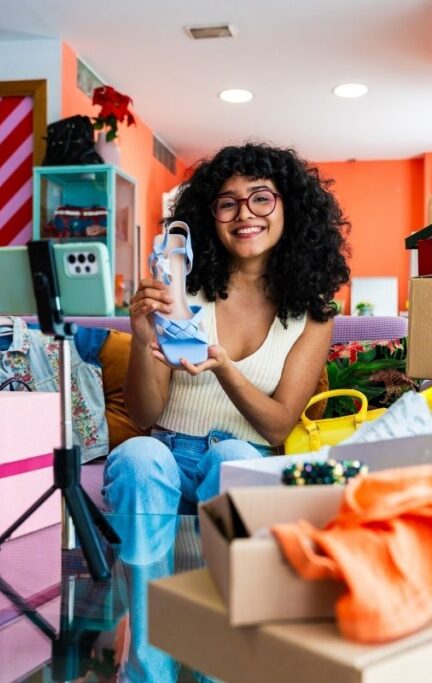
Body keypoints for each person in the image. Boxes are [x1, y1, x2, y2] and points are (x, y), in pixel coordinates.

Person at [102, 143, 351, 518]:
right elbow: (142, 415)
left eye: (261, 198)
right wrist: (141, 339)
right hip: (165, 457)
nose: (245, 214)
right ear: (210, 216)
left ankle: (227, 576)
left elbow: (279, 428)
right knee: (138, 455)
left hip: (246, 458)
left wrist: (224, 367)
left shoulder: (313, 312)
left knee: (231, 457)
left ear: (290, 208)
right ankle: (141, 578)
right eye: (228, 203)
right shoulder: (179, 288)